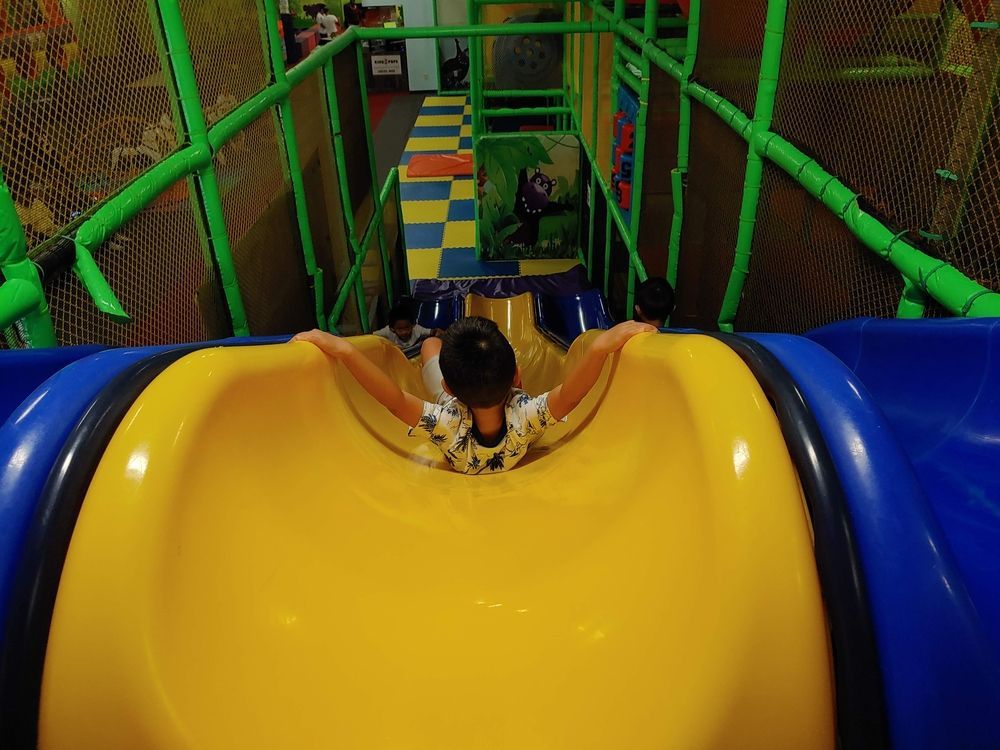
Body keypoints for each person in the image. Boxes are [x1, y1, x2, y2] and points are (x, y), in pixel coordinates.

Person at [291, 317, 654, 474]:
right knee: (439, 346)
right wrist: (600, 347)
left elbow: (393, 399)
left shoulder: (443, 421)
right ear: (516, 376)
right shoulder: (527, 415)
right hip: (503, 401)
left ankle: (447, 356)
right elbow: (572, 395)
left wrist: (346, 351)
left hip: (457, 403)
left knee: (431, 344)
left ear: (448, 389)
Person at [373, 304, 441, 349]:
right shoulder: (387, 331)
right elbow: (371, 336)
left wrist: (437, 332)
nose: (404, 332)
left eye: (407, 327)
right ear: (392, 329)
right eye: (400, 329)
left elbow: (433, 331)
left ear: (413, 325)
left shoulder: (417, 329)